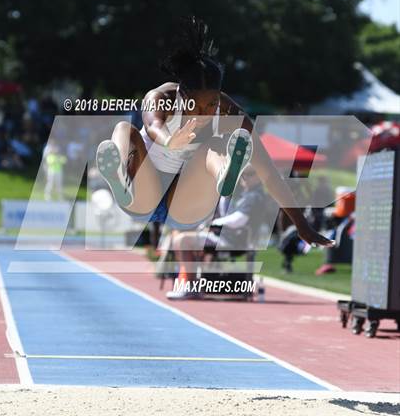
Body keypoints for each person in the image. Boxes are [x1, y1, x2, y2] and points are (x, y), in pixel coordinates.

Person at [96, 16, 333, 248]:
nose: (202, 114)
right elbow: (152, 125)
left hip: (187, 203)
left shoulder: (230, 113)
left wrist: (302, 224)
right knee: (124, 130)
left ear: (218, 97)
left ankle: (224, 175)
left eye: (210, 106)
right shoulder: (159, 97)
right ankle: (120, 179)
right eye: (195, 107)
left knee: (217, 144)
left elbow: (269, 174)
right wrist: (170, 141)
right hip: (142, 196)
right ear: (180, 94)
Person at [165, 165, 266, 299]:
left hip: (232, 241)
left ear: (259, 176)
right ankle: (192, 282)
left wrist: (214, 224)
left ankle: (189, 287)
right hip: (224, 237)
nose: (245, 177)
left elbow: (239, 220)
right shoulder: (244, 193)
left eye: (250, 174)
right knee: (180, 237)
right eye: (242, 174)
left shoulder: (254, 196)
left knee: (182, 240)